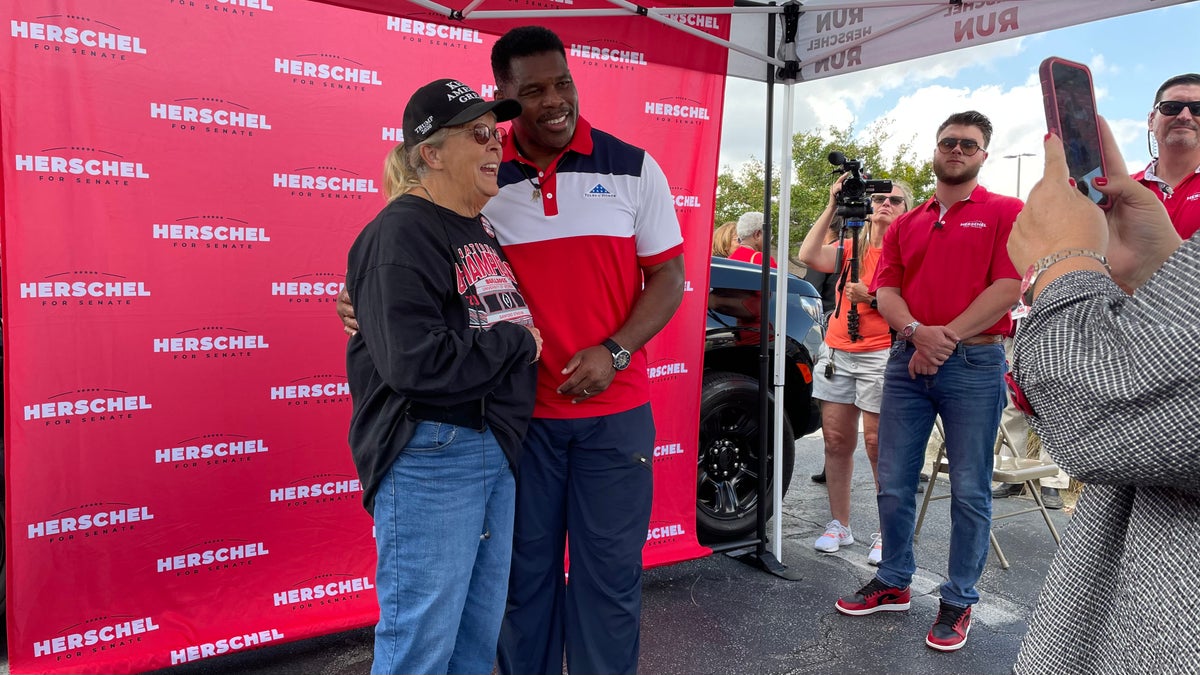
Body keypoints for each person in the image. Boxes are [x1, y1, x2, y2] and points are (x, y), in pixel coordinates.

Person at [340, 26, 684, 675]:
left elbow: (669, 275)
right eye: (531, 91)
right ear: (503, 97)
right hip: (517, 429)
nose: (554, 100)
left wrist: (615, 348)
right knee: (510, 598)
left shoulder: (630, 168)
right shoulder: (485, 192)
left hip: (589, 421)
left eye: (563, 83)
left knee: (599, 587)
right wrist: (365, 300)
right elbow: (416, 290)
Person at [344, 80, 542, 675]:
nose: (496, 146)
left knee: (472, 646)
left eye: (498, 134)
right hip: (433, 453)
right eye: (478, 134)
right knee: (419, 652)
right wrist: (516, 342)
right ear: (430, 153)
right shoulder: (402, 231)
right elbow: (416, 362)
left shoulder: (477, 228)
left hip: (489, 447)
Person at [1008, 117, 1196, 675]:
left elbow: (1101, 404)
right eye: (1174, 106)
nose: (1186, 116)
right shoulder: (1146, 189)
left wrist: (1058, 262)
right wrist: (1166, 267)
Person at [834, 111, 1022, 653]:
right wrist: (918, 335)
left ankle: (958, 599)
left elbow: (1008, 286)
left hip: (974, 363)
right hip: (906, 360)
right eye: (948, 143)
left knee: (969, 489)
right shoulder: (906, 223)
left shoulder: (1006, 211)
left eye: (969, 144)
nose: (957, 150)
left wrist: (943, 340)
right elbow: (884, 291)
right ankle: (893, 581)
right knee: (893, 480)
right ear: (935, 151)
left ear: (984, 154)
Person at [798, 176, 911, 565]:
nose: (885, 204)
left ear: (905, 211)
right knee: (835, 440)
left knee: (878, 445)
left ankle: (886, 531)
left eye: (895, 201)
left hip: (881, 352)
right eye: (880, 198)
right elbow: (808, 254)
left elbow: (917, 305)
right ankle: (839, 524)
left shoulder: (909, 252)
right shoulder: (851, 246)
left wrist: (875, 299)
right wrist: (832, 205)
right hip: (838, 351)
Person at [1133, 73, 1200, 239]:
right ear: (1151, 120)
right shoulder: (1118, 191)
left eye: (1198, 109)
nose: (1184, 116)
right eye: (1171, 107)